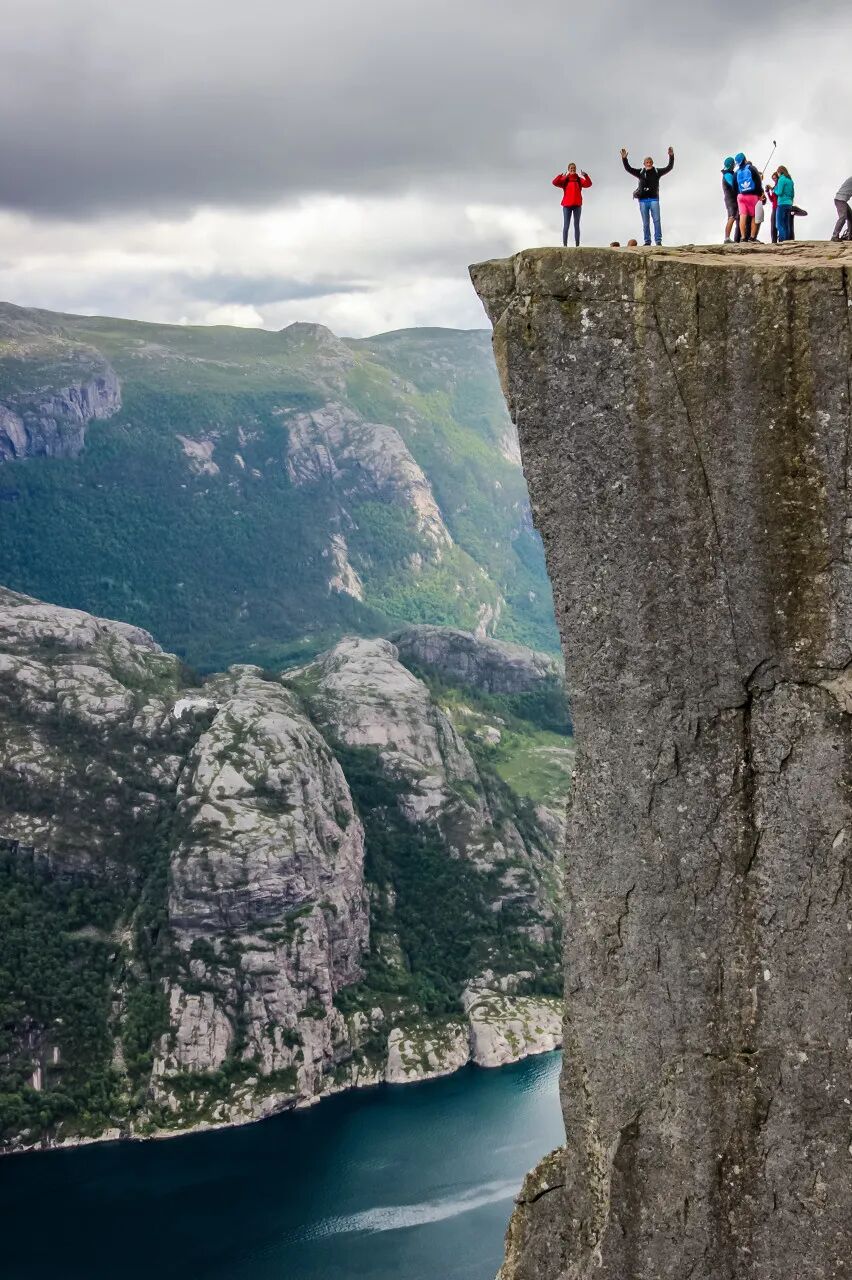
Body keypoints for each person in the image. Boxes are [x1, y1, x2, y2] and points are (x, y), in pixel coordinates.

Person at [620, 146, 675, 246]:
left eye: (650, 162)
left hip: (654, 200)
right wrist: (624, 159)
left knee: (657, 221)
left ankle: (658, 241)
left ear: (652, 163)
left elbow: (669, 167)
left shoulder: (657, 172)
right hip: (643, 201)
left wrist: (671, 156)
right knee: (645, 223)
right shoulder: (640, 172)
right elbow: (628, 168)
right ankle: (647, 242)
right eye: (647, 162)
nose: (649, 164)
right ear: (644, 164)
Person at [552, 163, 592, 246]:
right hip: (566, 205)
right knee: (566, 225)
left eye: (574, 168)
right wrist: (561, 176)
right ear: (568, 169)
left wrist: (586, 175)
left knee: (576, 225)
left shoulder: (579, 179)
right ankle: (565, 245)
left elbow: (589, 184)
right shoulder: (565, 180)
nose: (572, 169)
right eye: (571, 168)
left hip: (577, 205)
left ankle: (577, 245)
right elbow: (554, 182)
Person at [734, 151, 764, 244]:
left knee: (742, 216)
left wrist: (739, 194)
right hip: (752, 196)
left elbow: (734, 186)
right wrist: (760, 193)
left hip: (741, 196)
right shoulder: (751, 168)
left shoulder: (736, 172)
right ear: (745, 159)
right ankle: (752, 237)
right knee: (754, 216)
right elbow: (758, 182)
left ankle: (743, 238)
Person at [774, 166, 795, 242]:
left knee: (779, 224)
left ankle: (782, 240)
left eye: (777, 173)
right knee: (786, 224)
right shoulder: (790, 180)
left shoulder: (781, 179)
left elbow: (779, 192)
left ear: (779, 172)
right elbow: (793, 194)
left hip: (782, 204)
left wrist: (774, 190)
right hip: (789, 204)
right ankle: (787, 240)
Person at [722, 157, 740, 242]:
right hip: (730, 199)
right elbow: (733, 184)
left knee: (734, 217)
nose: (734, 165)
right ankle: (727, 238)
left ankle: (731, 237)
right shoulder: (727, 175)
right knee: (731, 217)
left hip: (731, 199)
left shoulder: (728, 174)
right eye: (733, 164)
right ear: (731, 165)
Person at [832, 175, 852, 241]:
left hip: (842, 200)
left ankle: (849, 235)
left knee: (851, 217)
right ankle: (834, 236)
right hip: (840, 200)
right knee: (843, 217)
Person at [766, 171, 779, 244]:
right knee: (773, 224)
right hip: (774, 207)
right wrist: (768, 192)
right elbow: (771, 199)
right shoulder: (774, 187)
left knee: (778, 224)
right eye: (773, 178)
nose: (774, 180)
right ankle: (773, 241)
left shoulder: (779, 186)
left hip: (779, 207)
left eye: (775, 178)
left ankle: (780, 239)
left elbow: (778, 194)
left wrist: (772, 189)